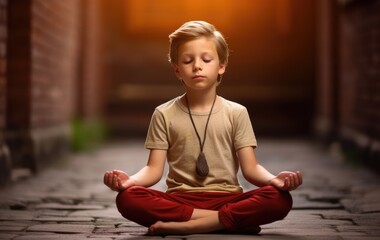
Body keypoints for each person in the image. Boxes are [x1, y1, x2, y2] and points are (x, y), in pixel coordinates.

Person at [104, 20, 303, 236]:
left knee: (279, 198)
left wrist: (275, 180)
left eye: (206, 59)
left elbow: (250, 169)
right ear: (177, 70)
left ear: (221, 66)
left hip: (228, 198)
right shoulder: (164, 113)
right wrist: (129, 182)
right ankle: (227, 222)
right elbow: (153, 170)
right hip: (181, 199)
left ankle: (192, 225)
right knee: (128, 198)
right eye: (188, 60)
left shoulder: (237, 112)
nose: (197, 66)